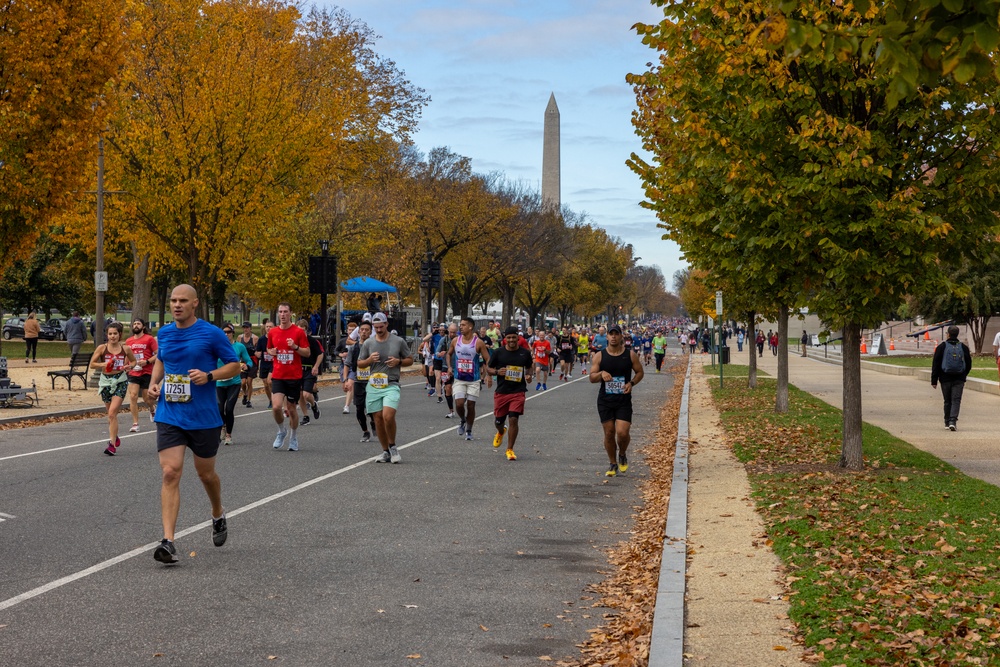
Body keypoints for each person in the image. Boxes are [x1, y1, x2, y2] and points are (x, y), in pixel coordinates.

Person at [147, 284, 240, 564]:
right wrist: (153, 385)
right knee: (170, 472)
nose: (177, 305)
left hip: (203, 417)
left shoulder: (211, 333)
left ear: (195, 304)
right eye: (173, 300)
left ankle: (217, 513)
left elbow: (234, 366)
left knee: (206, 475)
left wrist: (210, 375)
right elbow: (162, 360)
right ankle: (168, 541)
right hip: (170, 414)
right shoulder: (164, 333)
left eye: (183, 301)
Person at [357, 312, 413, 463]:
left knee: (388, 416)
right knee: (378, 419)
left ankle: (393, 447)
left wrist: (398, 361)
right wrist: (369, 359)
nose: (379, 330)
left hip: (391, 383)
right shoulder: (368, 343)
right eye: (376, 327)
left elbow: (410, 360)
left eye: (381, 326)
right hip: (374, 385)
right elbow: (360, 363)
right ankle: (385, 451)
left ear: (387, 324)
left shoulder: (398, 341)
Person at [589, 324, 644, 477]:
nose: (613, 337)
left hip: (623, 399)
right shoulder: (599, 356)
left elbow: (640, 372)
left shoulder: (630, 355)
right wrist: (601, 374)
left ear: (621, 336)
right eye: (610, 334)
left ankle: (623, 454)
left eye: (616, 334)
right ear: (606, 336)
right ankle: (613, 463)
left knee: (622, 433)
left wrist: (631, 383)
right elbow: (592, 378)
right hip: (605, 400)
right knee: (609, 433)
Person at [266, 303, 310, 451]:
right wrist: (271, 351)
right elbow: (269, 348)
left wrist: (295, 347)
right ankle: (281, 431)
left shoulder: (298, 332)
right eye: (280, 312)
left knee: (291, 410)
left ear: (291, 313)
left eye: (285, 312)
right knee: (276, 407)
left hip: (294, 376)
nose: (283, 314)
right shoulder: (272, 332)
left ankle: (293, 436)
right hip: (278, 375)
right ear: (278, 314)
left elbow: (307, 353)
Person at [89, 321, 137, 455]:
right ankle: (114, 436)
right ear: (107, 335)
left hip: (120, 381)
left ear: (119, 334)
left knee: (112, 413)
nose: (112, 336)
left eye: (115, 333)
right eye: (110, 334)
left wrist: (130, 366)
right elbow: (92, 364)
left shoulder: (125, 349)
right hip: (105, 381)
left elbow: (134, 361)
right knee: (111, 415)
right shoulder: (102, 348)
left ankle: (111, 445)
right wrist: (105, 363)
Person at [487, 326, 533, 461]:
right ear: (505, 339)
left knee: (513, 418)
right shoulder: (498, 353)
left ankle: (510, 449)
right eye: (509, 338)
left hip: (518, 391)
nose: (512, 340)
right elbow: (488, 368)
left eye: (514, 337)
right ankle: (501, 431)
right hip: (502, 391)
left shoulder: (524, 353)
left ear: (518, 338)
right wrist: (496, 372)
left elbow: (529, 367)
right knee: (499, 421)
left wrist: (529, 375)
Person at [445, 316, 493, 440]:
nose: (460, 327)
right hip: (459, 378)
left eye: (463, 325)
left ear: (470, 327)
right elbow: (449, 354)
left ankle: (469, 430)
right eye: (460, 325)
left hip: (473, 379)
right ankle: (462, 420)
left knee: (471, 405)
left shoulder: (478, 342)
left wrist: (488, 375)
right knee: (459, 404)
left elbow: (488, 359)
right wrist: (449, 367)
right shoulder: (456, 340)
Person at [217, 324, 253, 446]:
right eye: (224, 332)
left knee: (229, 409)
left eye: (228, 332)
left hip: (234, 382)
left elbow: (249, 361)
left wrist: (246, 365)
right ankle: (222, 426)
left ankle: (228, 435)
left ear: (233, 333)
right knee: (219, 409)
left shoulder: (239, 347)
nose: (226, 334)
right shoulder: (217, 347)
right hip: (219, 382)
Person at [933, 325, 972, 431]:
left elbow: (936, 363)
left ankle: (947, 421)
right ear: (957, 334)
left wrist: (934, 380)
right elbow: (968, 364)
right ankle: (953, 421)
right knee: (956, 400)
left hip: (945, 378)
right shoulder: (963, 347)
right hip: (959, 378)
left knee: (947, 400)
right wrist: (963, 374)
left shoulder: (942, 347)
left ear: (948, 334)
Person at [347, 321, 378, 441]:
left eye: (367, 330)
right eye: (362, 329)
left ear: (370, 332)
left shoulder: (375, 346)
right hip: (359, 381)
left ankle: (373, 421)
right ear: (359, 331)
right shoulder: (354, 347)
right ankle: (365, 432)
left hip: (372, 381)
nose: (364, 332)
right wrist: (346, 379)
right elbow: (348, 364)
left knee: (371, 408)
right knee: (359, 408)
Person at [126, 318, 158, 433]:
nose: (136, 325)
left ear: (143, 326)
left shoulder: (149, 339)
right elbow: (127, 356)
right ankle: (135, 423)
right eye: (134, 324)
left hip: (147, 371)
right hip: (134, 372)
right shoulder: (129, 341)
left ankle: (152, 408)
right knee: (133, 396)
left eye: (138, 324)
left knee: (147, 398)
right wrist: (126, 366)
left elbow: (158, 354)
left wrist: (147, 361)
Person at [295, 318, 324, 426]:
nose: (301, 333)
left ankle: (313, 404)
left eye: (303, 330)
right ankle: (306, 416)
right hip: (297, 370)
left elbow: (320, 354)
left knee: (306, 394)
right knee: (300, 395)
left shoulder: (312, 341)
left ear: (307, 330)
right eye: (299, 330)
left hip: (309, 370)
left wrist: (316, 366)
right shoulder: (294, 341)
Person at [238, 322, 258, 408]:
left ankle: (249, 400)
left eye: (247, 327)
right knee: (243, 382)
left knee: (249, 382)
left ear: (250, 328)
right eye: (244, 328)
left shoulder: (255, 338)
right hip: (242, 362)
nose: (245, 329)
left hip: (252, 362)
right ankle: (245, 394)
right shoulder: (240, 338)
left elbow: (257, 350)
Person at [255, 321, 275, 405]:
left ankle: (275, 398)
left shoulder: (276, 338)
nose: (268, 328)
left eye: (270, 326)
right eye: (267, 326)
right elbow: (257, 351)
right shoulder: (261, 339)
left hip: (273, 363)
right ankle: (271, 400)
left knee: (269, 381)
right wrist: (257, 353)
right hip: (264, 363)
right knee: (266, 384)